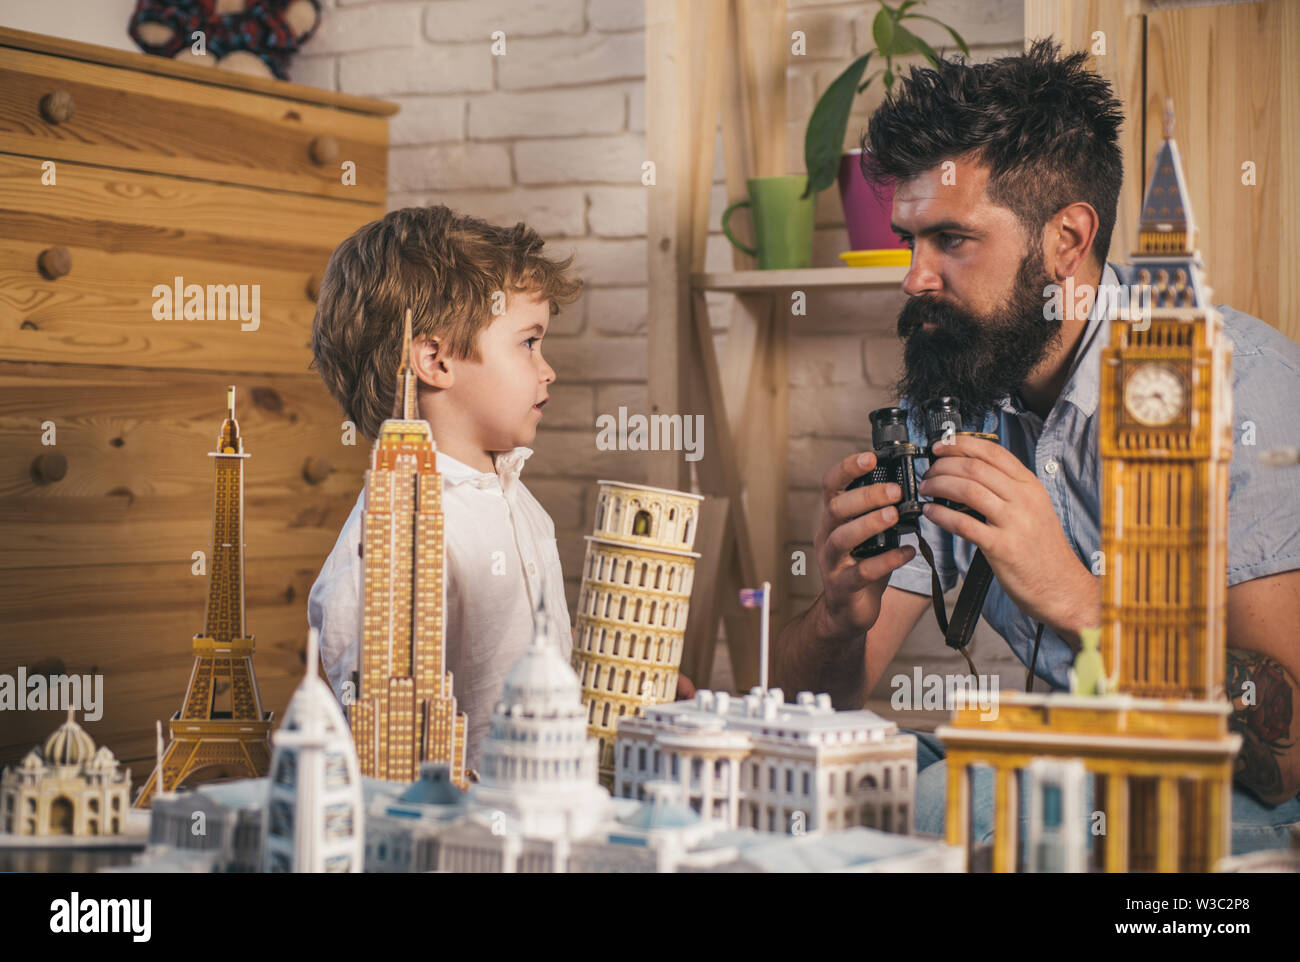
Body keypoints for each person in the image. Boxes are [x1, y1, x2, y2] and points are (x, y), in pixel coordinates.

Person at [773, 40, 1300, 853]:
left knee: (980, 819)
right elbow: (812, 711)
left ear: (1066, 240)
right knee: (808, 790)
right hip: (1069, 768)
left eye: (951, 240)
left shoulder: (1240, 392)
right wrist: (839, 618)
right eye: (910, 240)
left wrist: (1077, 597)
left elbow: (1287, 753)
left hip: (1232, 794)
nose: (913, 278)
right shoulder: (951, 392)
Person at [306, 205, 581, 775]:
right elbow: (377, 731)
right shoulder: (394, 533)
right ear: (434, 360)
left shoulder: (521, 504)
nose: (547, 369)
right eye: (529, 343)